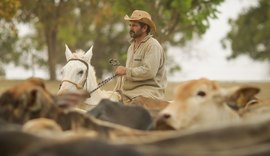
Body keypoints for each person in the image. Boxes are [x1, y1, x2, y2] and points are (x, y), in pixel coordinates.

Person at [115, 10, 167, 102]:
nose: (131, 28)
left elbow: (149, 72)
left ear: (144, 28)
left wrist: (126, 71)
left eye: (134, 25)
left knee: (132, 107)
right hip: (131, 92)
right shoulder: (131, 47)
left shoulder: (152, 45)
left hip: (149, 91)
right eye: (130, 25)